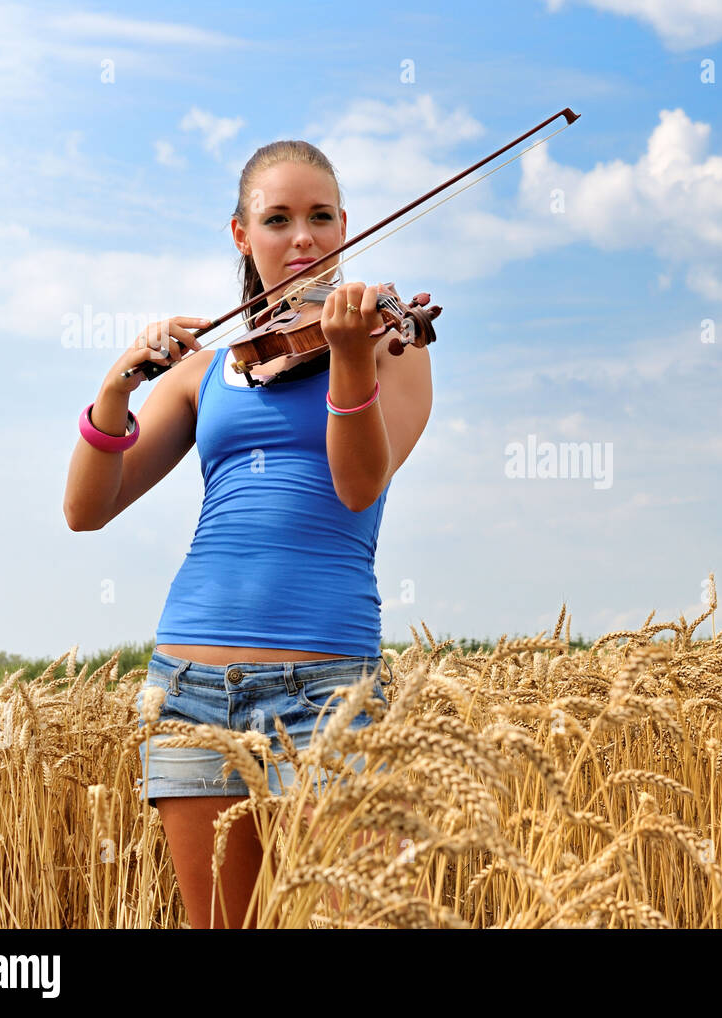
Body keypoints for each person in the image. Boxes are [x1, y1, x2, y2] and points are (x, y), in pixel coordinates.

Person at [63, 139, 433, 927]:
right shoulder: (207, 371)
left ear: (346, 229)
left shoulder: (389, 347)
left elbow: (359, 484)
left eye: (321, 217)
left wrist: (349, 362)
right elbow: (86, 509)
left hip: (327, 692)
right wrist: (114, 390)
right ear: (242, 235)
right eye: (279, 218)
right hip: (191, 687)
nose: (303, 237)